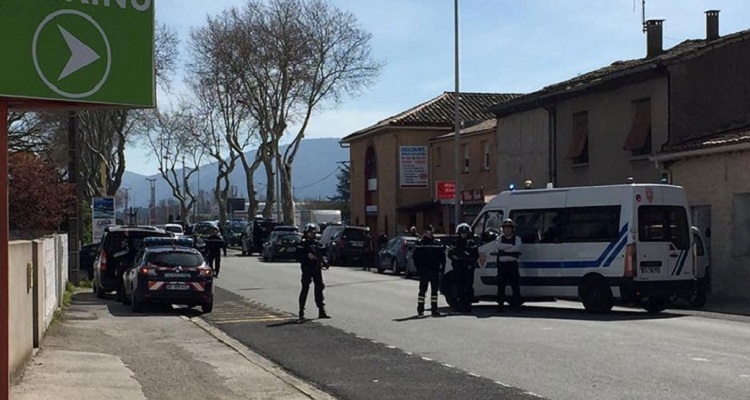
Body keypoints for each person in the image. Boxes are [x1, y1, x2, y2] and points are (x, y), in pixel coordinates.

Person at [296, 223, 330, 320]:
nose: (312, 234)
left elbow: (323, 253)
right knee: (305, 288)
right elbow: (297, 256)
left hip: (316, 269)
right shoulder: (302, 244)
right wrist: (307, 256)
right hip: (307, 269)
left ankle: (321, 310)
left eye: (313, 233)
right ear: (306, 233)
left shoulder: (317, 243)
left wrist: (324, 261)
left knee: (319, 288)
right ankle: (301, 311)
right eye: (310, 232)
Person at [411, 227, 446, 316]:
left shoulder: (437, 243)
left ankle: (434, 310)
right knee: (422, 291)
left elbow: (442, 256)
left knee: (434, 292)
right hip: (424, 271)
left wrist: (442, 268)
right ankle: (420, 309)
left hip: (434, 270)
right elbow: (415, 257)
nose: (429, 234)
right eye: (427, 232)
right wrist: (419, 269)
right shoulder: (420, 243)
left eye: (430, 232)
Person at [447, 223, 479, 312]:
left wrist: (470, 261)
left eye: (465, 233)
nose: (464, 234)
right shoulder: (455, 242)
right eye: (462, 233)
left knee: (468, 287)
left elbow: (476, 255)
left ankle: (468, 305)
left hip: (468, 268)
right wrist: (454, 257)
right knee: (459, 286)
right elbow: (450, 254)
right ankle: (459, 305)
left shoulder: (471, 243)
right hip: (458, 268)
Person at [495, 218, 523, 311]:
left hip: (512, 265)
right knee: (501, 286)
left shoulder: (517, 239)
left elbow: (517, 248)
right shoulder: (499, 238)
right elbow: (498, 246)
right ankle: (500, 305)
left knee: (515, 285)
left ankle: (517, 306)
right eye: (506, 228)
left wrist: (505, 250)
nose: (507, 229)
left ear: (512, 229)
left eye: (509, 228)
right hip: (502, 266)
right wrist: (510, 246)